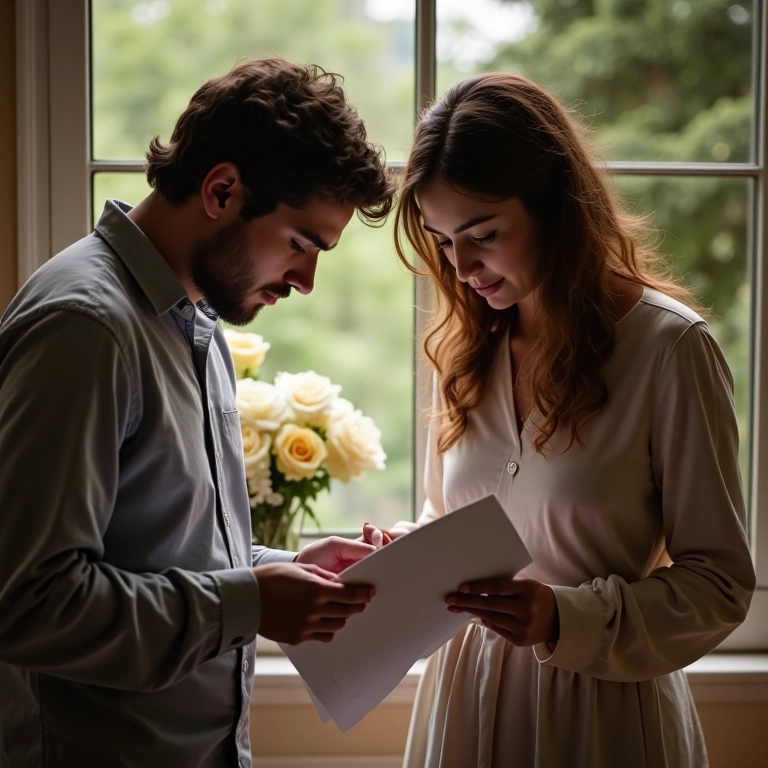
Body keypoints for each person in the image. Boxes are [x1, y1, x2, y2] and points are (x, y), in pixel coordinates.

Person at [0, 57, 395, 767]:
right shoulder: (87, 329)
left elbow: (155, 550)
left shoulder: (194, 322)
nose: (305, 281)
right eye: (301, 243)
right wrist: (247, 603)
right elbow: (28, 603)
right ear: (221, 190)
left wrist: (284, 572)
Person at [378, 72, 756, 767]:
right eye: (441, 240)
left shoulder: (669, 349)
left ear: (556, 206)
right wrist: (402, 553)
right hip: (462, 708)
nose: (460, 266)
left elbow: (721, 585)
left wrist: (562, 617)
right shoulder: (462, 349)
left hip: (602, 718)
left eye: (483, 234)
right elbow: (469, 521)